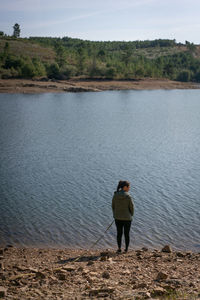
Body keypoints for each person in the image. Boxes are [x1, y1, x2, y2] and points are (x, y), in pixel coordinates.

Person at [112, 180, 134, 253]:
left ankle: (119, 249)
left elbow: (113, 206)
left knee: (119, 233)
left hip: (117, 218)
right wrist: (131, 214)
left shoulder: (115, 195)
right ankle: (126, 249)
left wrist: (115, 214)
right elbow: (132, 207)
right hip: (127, 218)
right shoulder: (128, 196)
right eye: (128, 187)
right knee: (126, 234)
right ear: (125, 187)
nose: (129, 188)